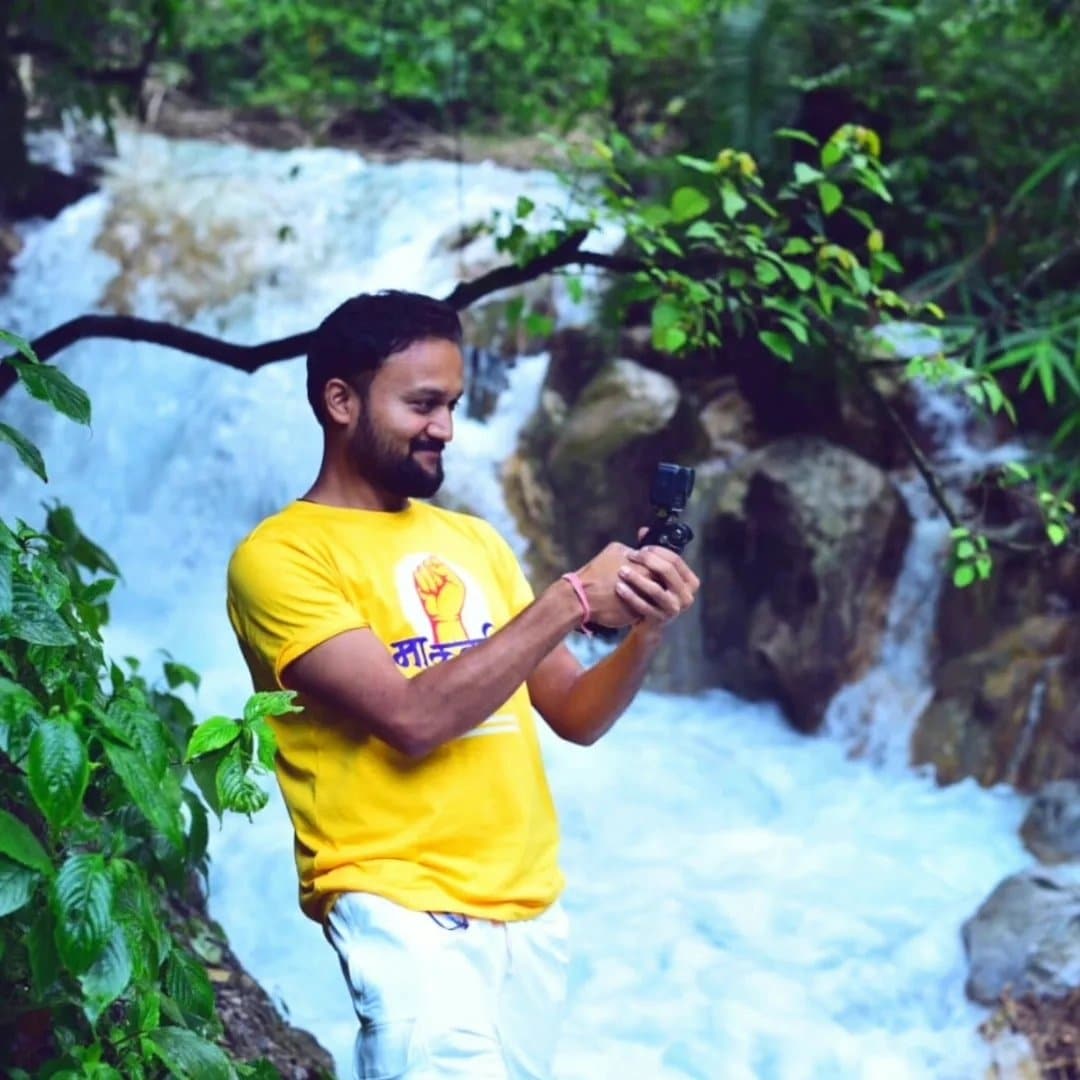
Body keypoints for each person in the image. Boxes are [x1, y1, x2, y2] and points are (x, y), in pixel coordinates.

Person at [226, 290, 699, 1080]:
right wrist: (573, 598)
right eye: (422, 404)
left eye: (451, 404)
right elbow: (412, 718)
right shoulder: (280, 558)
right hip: (403, 912)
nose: (444, 428)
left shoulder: (474, 541)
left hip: (530, 917)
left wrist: (646, 624)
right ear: (340, 400)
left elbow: (574, 713)